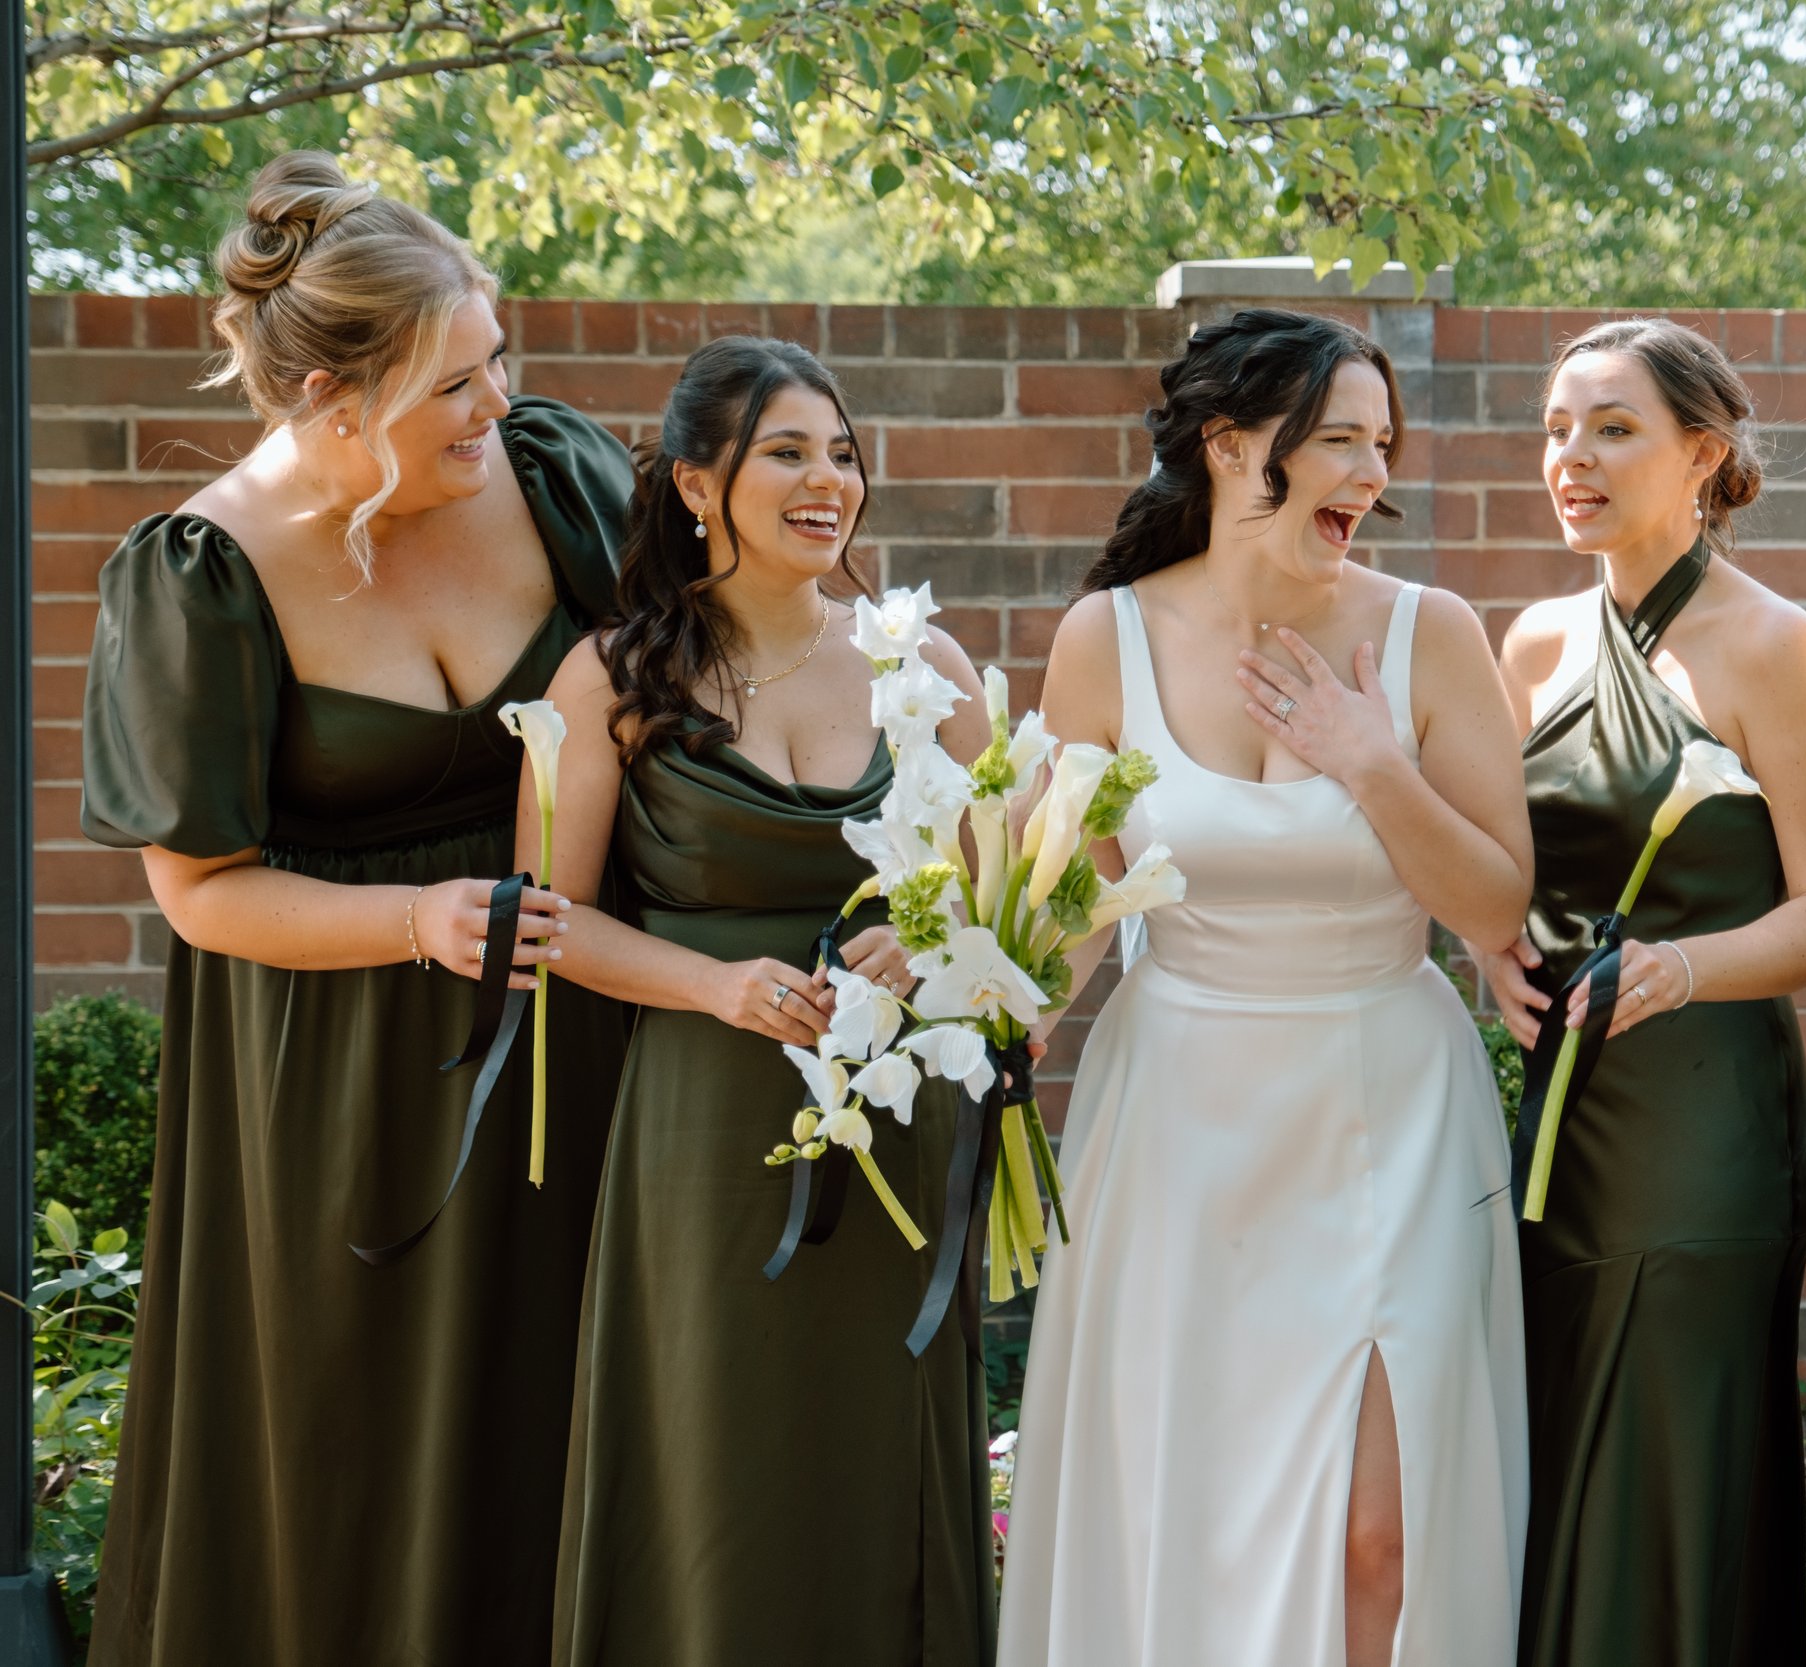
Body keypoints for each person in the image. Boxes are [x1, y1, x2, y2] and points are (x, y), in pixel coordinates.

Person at [79, 150, 631, 1665]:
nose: (498, 403)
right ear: (333, 403)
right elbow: (202, 893)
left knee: (568, 1442)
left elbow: (697, 689)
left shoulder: (561, 477)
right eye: (457, 382)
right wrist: (418, 921)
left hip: (575, 1036)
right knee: (350, 1476)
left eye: (497, 357)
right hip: (335, 1091)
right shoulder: (201, 574)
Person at [999, 309, 1532, 1667]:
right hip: (1178, 1117)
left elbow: (1491, 903)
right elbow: (1070, 919)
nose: (1370, 474)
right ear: (1231, 448)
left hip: (1388, 1109)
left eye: (1380, 444)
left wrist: (1372, 763)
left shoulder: (1434, 634)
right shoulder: (1101, 641)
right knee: (1185, 1503)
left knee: (1379, 1535)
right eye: (1338, 441)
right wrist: (958, 992)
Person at [533, 336, 996, 1665]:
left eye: (842, 454)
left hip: (899, 1121)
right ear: (695, 484)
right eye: (786, 453)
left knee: (878, 1454)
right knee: (711, 1457)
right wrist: (718, 987)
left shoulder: (926, 667)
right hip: (704, 1122)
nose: (827, 482)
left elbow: (1019, 881)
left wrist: (938, 933)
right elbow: (549, 920)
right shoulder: (614, 678)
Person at [1469, 319, 1806, 1667]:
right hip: (1559, 1123)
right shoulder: (1528, 644)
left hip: (1708, 1129)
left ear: (1704, 453)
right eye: (1556, 428)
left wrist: (1685, 968)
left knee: (1671, 1458)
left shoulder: (1773, 646)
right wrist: (1488, 950)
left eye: (1611, 428)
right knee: (1560, 1437)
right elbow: (1506, 873)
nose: (1569, 457)